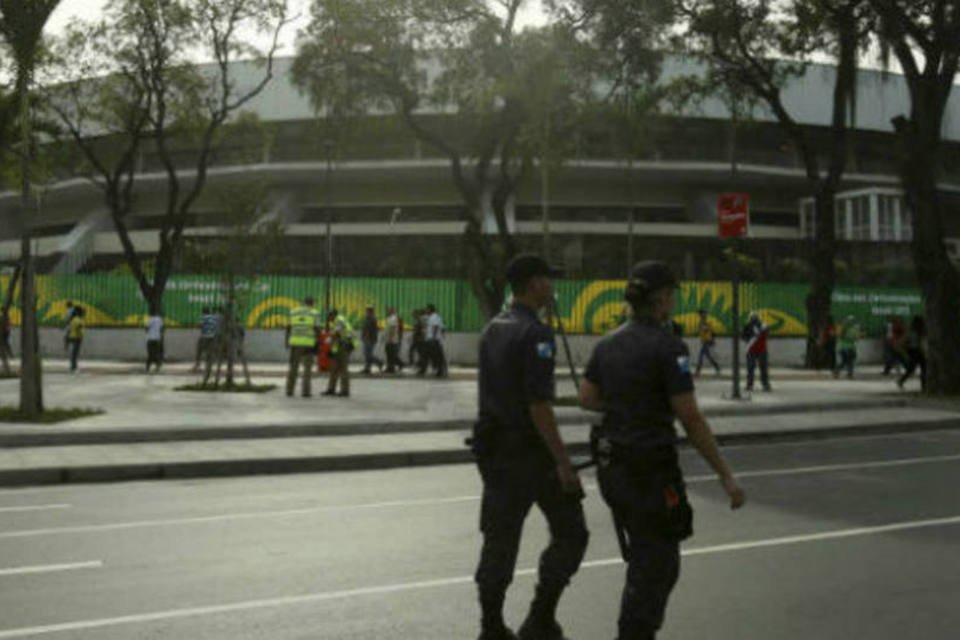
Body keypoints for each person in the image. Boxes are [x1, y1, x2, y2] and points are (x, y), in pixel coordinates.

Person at [578, 260, 745, 640]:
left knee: (645, 556)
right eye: (671, 295)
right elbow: (690, 417)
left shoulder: (607, 343)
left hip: (613, 470)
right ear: (662, 299)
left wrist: (626, 403)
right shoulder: (669, 347)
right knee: (658, 563)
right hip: (649, 471)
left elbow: (587, 398)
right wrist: (726, 476)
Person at [471, 253, 589, 640]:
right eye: (547, 280)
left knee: (499, 539)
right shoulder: (536, 333)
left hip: (494, 451)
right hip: (531, 454)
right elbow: (539, 406)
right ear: (534, 284)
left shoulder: (492, 329)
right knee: (572, 532)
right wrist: (563, 463)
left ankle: (491, 626)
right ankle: (541, 617)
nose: (552, 287)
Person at [285, 296, 320, 397]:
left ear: (303, 302)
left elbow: (288, 328)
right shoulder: (314, 313)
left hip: (295, 344)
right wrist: (318, 343)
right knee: (307, 369)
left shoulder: (293, 312)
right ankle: (306, 392)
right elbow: (317, 329)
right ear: (312, 303)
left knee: (293, 368)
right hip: (308, 345)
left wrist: (287, 342)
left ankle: (289, 390)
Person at [324, 308, 355, 397]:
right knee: (333, 368)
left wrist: (329, 339)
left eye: (329, 316)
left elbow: (337, 333)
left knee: (343, 369)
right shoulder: (335, 322)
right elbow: (336, 337)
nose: (328, 318)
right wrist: (332, 350)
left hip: (345, 346)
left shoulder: (339, 320)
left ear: (333, 315)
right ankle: (331, 389)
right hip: (339, 347)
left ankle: (345, 390)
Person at [742, 311, 771, 391]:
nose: (754, 319)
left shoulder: (762, 326)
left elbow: (744, 337)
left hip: (757, 349)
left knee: (755, 368)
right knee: (758, 368)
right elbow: (744, 336)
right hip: (757, 349)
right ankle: (762, 385)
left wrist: (748, 339)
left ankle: (753, 385)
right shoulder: (760, 326)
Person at [898, 315, 927, 391]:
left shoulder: (918, 332)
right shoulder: (912, 332)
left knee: (921, 368)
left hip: (916, 351)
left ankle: (923, 385)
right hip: (914, 351)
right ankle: (923, 385)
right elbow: (902, 342)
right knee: (918, 368)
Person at [421, 303, 448, 377]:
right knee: (435, 356)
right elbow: (442, 328)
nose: (426, 310)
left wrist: (433, 337)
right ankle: (439, 370)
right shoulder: (433, 317)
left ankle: (440, 370)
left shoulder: (434, 317)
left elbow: (435, 327)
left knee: (436, 356)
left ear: (430, 309)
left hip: (433, 340)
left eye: (427, 309)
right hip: (433, 339)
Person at [694, 309, 720, 376]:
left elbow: (709, 331)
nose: (701, 316)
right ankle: (717, 367)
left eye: (701, 314)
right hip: (704, 341)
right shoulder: (701, 323)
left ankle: (698, 370)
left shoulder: (707, 322)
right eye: (700, 314)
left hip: (707, 341)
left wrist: (704, 329)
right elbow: (700, 331)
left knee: (700, 356)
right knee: (709, 356)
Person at [361, 305, 384, 375]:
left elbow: (369, 329)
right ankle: (367, 368)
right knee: (367, 354)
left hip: (369, 339)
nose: (366, 311)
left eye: (368, 310)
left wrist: (366, 337)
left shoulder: (372, 318)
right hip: (368, 338)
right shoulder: (369, 318)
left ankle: (379, 362)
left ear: (370, 311)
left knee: (368, 354)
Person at [193, 306, 217, 373]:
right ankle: (209, 366)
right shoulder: (213, 318)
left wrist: (197, 325)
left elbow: (199, 325)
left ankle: (197, 365)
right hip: (213, 337)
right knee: (210, 351)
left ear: (203, 312)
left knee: (199, 350)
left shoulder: (204, 317)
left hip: (205, 336)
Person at [384, 306, 405, 374]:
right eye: (387, 310)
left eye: (389, 310)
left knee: (391, 354)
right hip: (389, 339)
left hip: (392, 340)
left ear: (392, 311)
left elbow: (392, 328)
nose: (387, 311)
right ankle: (390, 367)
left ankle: (392, 367)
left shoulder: (393, 318)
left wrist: (390, 338)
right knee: (389, 354)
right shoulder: (389, 318)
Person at [66, 305, 85, 373]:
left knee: (73, 354)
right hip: (76, 337)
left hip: (73, 337)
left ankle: (73, 367)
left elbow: (69, 328)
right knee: (75, 354)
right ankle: (74, 368)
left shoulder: (73, 319)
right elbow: (79, 327)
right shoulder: (78, 319)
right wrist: (82, 332)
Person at [0, 309, 12, 376]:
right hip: (5, 333)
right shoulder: (6, 317)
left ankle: (9, 355)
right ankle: (9, 355)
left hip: (4, 333)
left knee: (5, 344)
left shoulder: (4, 317)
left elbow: (7, 326)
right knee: (5, 344)